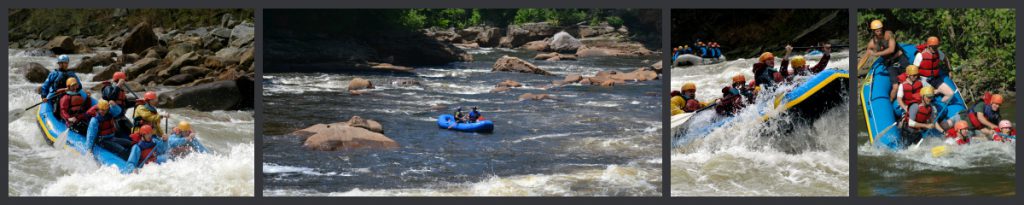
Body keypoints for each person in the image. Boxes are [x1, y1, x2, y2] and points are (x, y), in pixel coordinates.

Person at [864, 20, 909, 102]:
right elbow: (865, 57)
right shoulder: (872, 43)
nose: (879, 32)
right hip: (890, 63)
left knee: (909, 80)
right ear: (873, 31)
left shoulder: (889, 34)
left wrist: (876, 54)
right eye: (877, 31)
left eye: (880, 30)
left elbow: (891, 49)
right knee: (895, 87)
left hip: (900, 58)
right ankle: (890, 101)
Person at [913, 36, 956, 103]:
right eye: (933, 47)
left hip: (935, 78)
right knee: (929, 96)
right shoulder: (920, 55)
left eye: (936, 47)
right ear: (928, 46)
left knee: (951, 94)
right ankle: (934, 92)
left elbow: (946, 59)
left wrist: (949, 70)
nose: (935, 49)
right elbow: (914, 70)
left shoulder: (938, 53)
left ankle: (941, 102)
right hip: (924, 79)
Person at [101, 71, 135, 136]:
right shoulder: (108, 88)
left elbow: (126, 104)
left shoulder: (120, 91)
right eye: (123, 81)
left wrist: (137, 103)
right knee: (120, 134)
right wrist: (118, 85)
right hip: (112, 118)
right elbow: (111, 97)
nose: (124, 83)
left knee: (132, 131)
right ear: (118, 81)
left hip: (121, 117)